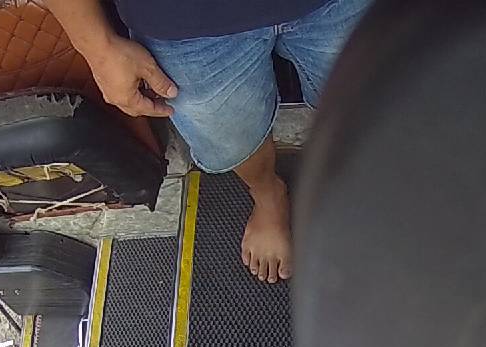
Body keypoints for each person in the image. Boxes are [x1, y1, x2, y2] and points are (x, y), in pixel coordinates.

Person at [44, 0, 370, 283]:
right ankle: (268, 195)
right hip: (185, 21)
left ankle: (348, 172)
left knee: (360, 101)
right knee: (232, 139)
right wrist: (98, 47)